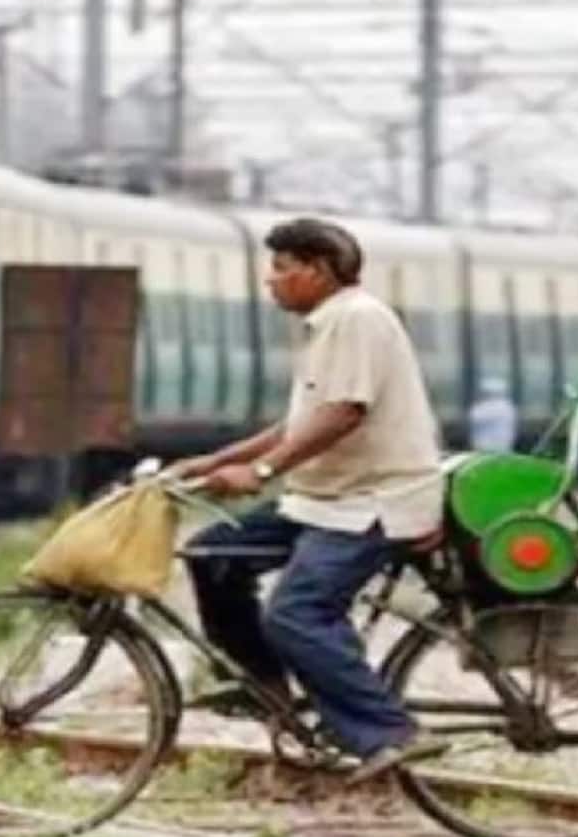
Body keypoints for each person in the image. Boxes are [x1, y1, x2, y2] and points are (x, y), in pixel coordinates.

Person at [170, 217, 448, 784]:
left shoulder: (358, 319)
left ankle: (388, 732)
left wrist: (265, 470)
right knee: (213, 556)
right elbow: (298, 422)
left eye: (281, 268)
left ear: (318, 270)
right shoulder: (329, 325)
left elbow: (345, 412)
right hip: (323, 500)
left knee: (298, 612)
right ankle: (265, 688)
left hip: (374, 501)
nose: (270, 281)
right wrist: (219, 461)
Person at [468, 377, 518, 454]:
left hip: (486, 447)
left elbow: (473, 417)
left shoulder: (487, 407)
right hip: (503, 446)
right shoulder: (508, 406)